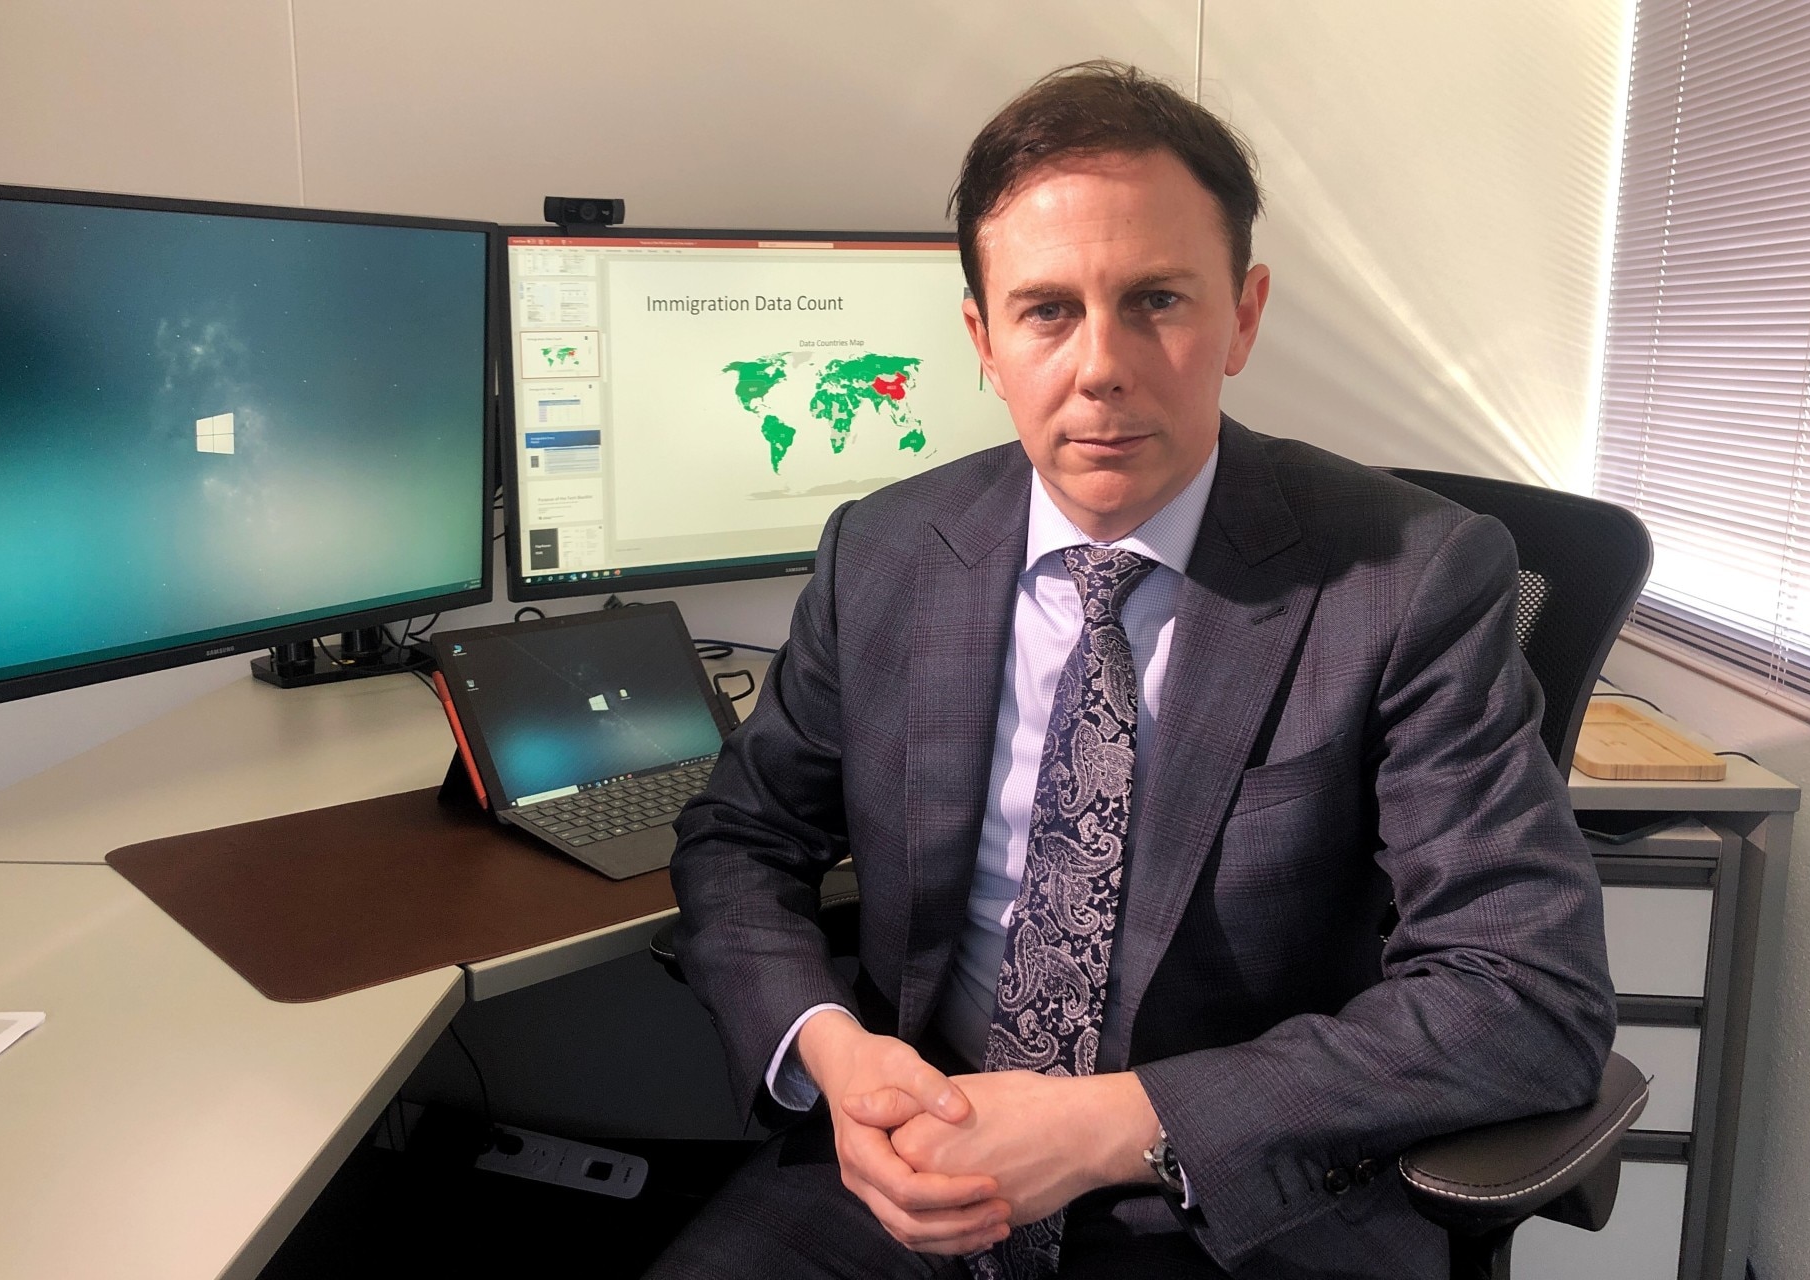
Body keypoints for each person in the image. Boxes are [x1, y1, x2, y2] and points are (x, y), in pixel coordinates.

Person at [651, 61, 1615, 1280]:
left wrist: (1109, 1124)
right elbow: (740, 839)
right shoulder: (885, 550)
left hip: (1230, 1198)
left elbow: (1526, 990)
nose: (1102, 364)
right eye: (1048, 310)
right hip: (914, 1157)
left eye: (1156, 299)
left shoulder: (1409, 577)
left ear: (1244, 316)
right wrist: (836, 1053)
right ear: (983, 339)